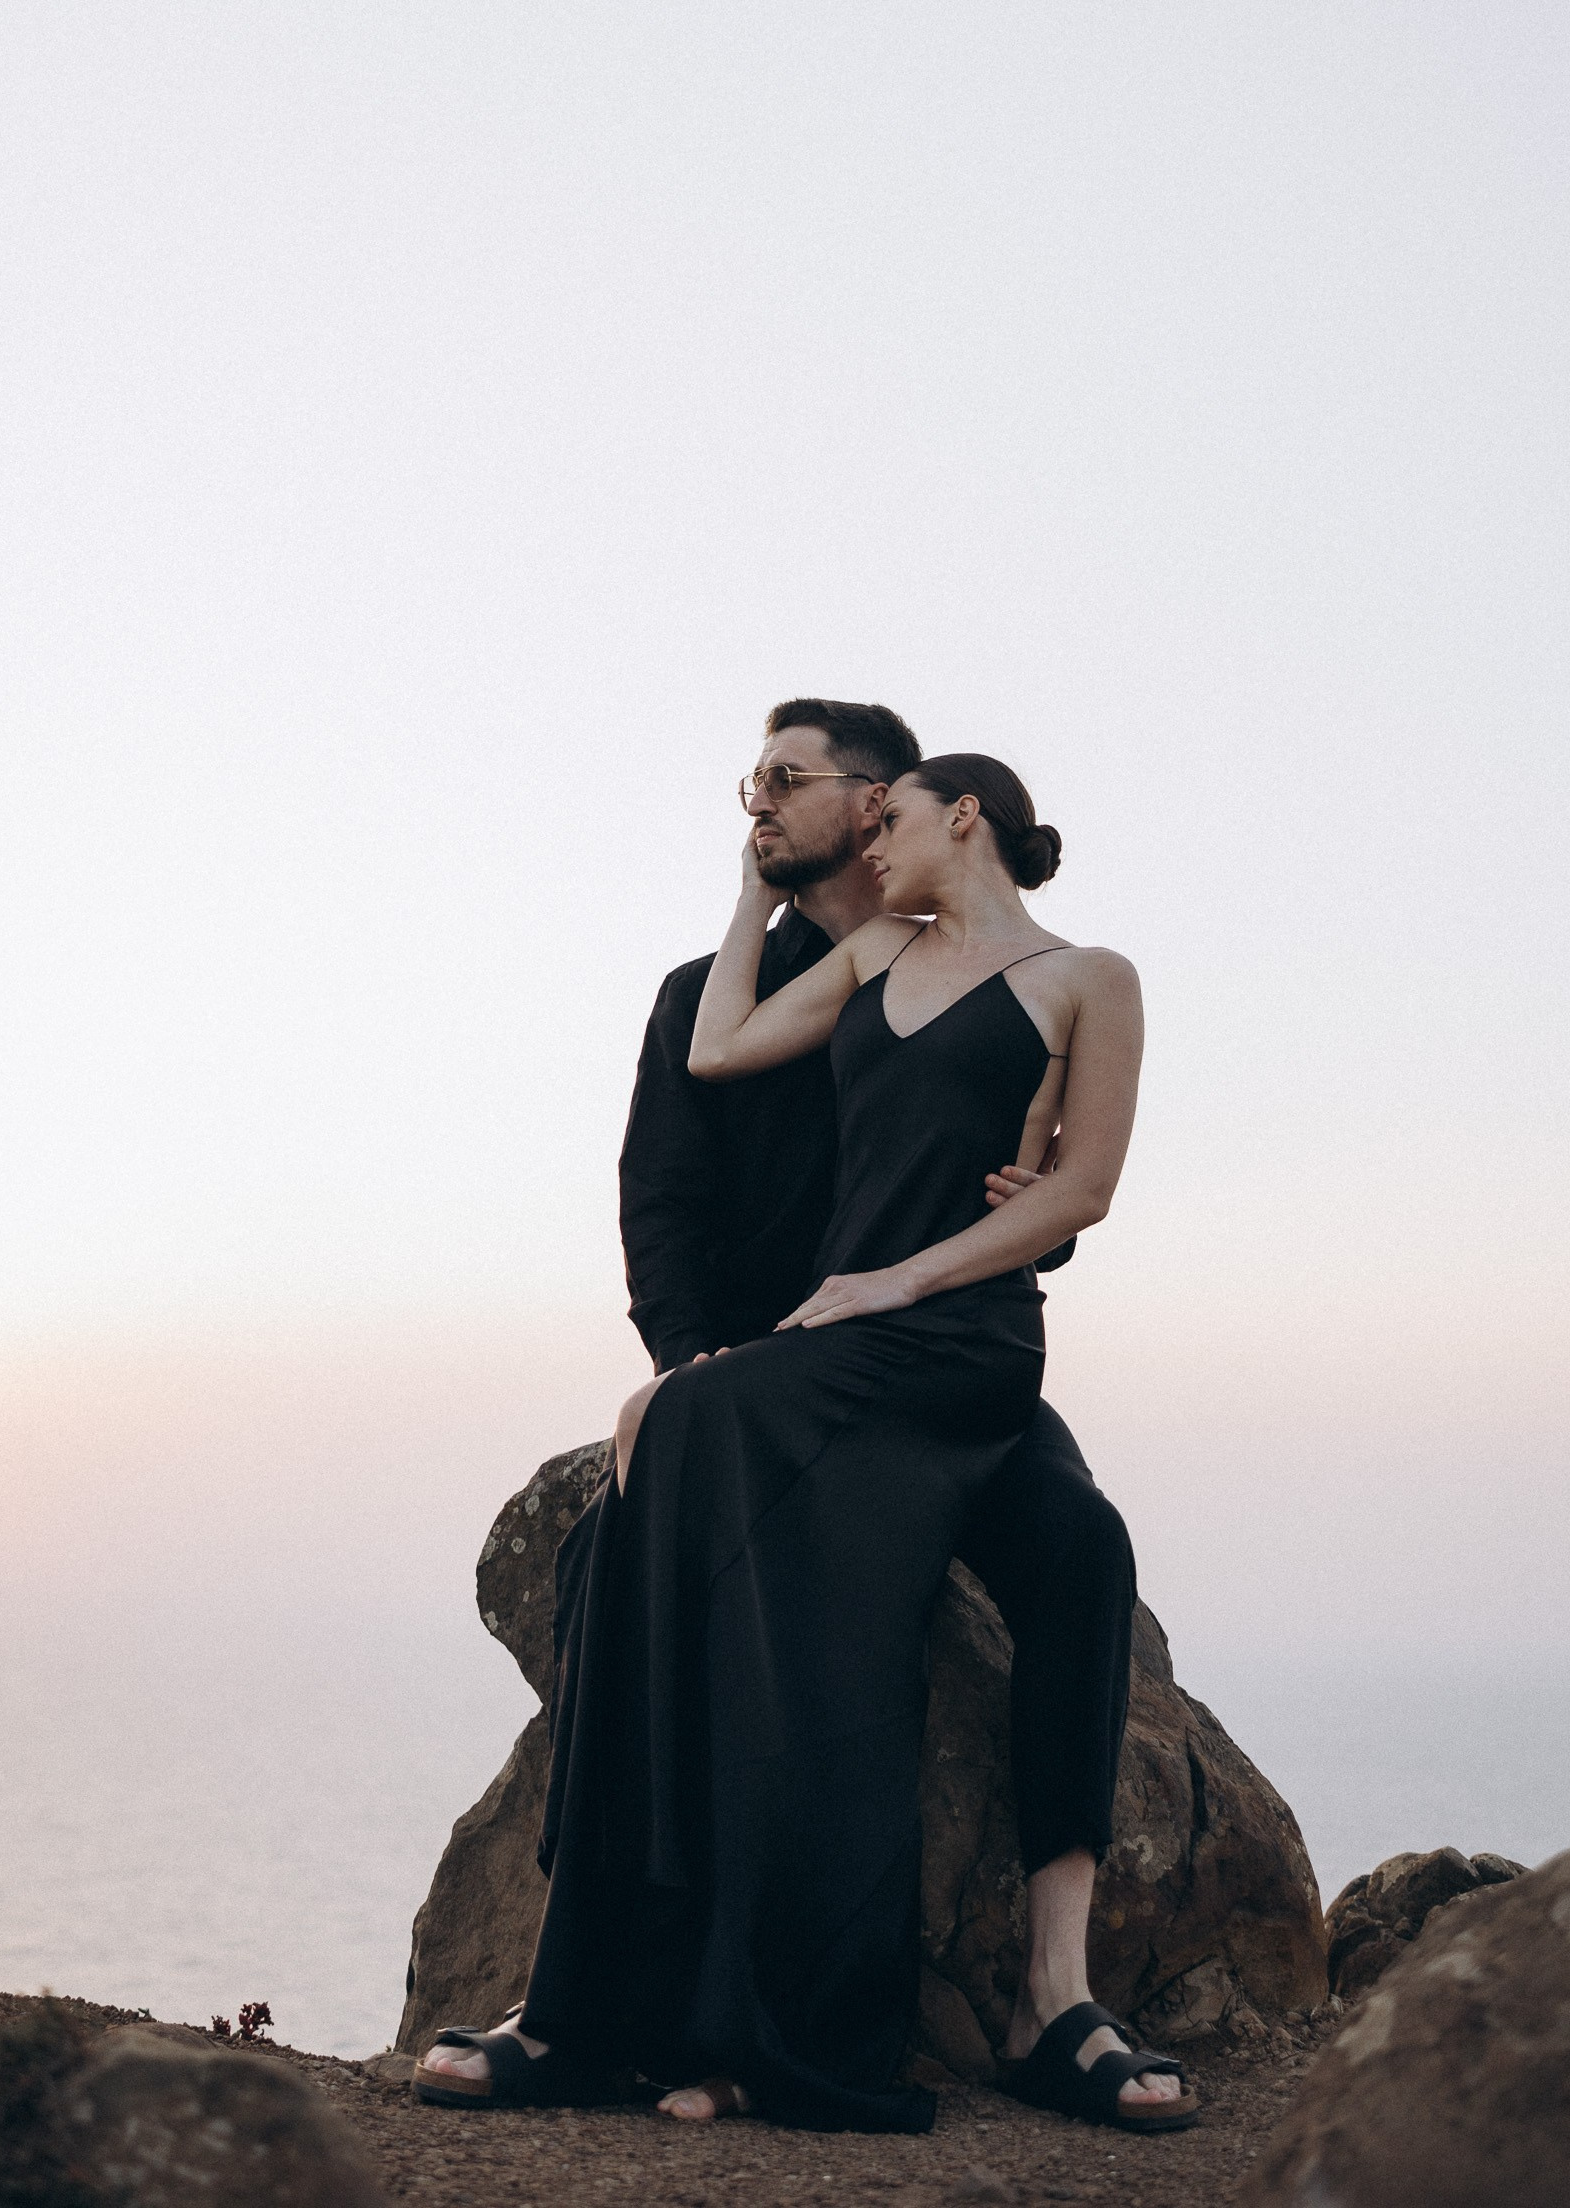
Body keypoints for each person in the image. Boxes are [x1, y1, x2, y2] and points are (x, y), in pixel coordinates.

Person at [414, 733, 1193, 2136]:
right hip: (809, 1365)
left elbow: (1075, 1192)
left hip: (943, 1350)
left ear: (935, 809)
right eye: (749, 791)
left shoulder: (1086, 976)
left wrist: (941, 1246)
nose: (764, 804)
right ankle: (604, 1999)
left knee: (1085, 1545)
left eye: (809, 786)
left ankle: (1055, 1999)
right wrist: (690, 1362)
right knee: (652, 1513)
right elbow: (691, 1126)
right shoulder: (830, 970)